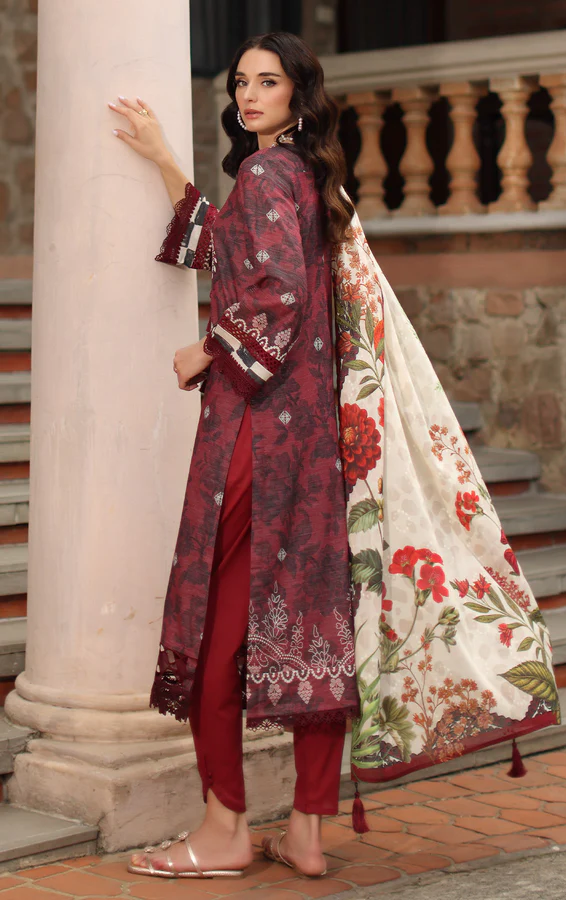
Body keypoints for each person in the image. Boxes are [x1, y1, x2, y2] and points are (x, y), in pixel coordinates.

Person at [109, 32, 358, 880]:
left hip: (256, 428)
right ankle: (308, 834)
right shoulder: (307, 177)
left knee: (211, 623)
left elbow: (277, 291)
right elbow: (234, 251)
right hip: (311, 439)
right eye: (242, 81)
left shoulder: (263, 174)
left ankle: (224, 829)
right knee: (314, 618)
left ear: (298, 93)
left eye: (268, 81)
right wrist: (164, 161)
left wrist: (209, 352)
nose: (249, 94)